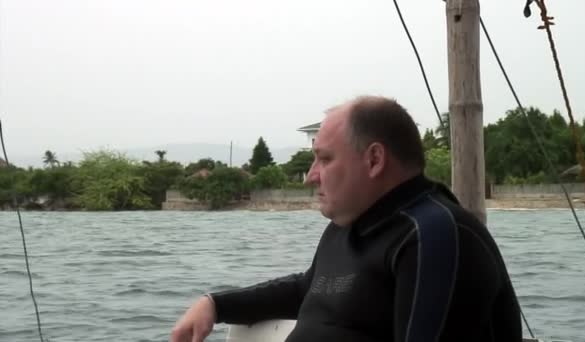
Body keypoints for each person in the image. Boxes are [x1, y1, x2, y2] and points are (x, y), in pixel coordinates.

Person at [170, 96, 522, 342]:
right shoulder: (349, 227)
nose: (311, 176)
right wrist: (215, 304)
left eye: (324, 159)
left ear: (374, 160)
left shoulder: (435, 238)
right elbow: (311, 289)